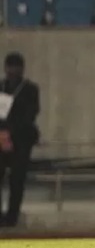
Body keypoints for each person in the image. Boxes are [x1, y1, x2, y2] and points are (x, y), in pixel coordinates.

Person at [0, 52, 41, 228]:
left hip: (21, 140)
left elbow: (30, 114)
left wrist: (11, 132)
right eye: (9, 67)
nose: (12, 71)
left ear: (22, 69)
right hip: (1, 139)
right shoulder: (1, 87)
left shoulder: (30, 89)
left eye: (16, 68)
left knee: (17, 180)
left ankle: (12, 216)